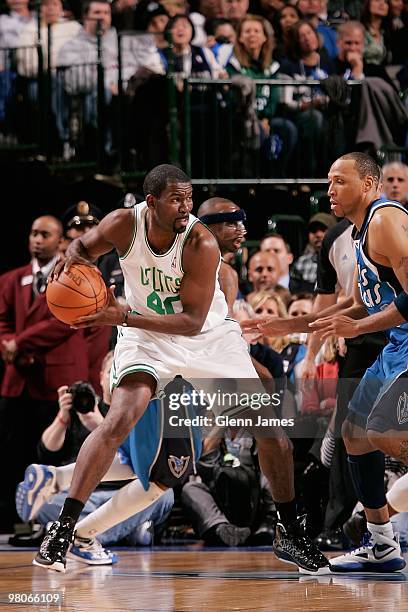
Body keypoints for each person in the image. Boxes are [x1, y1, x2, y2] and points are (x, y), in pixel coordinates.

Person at [34, 163, 330, 574]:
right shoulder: (123, 224)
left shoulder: (200, 242)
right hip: (147, 339)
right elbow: (82, 247)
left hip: (206, 338)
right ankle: (63, 529)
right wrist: (72, 269)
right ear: (151, 202)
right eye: (177, 199)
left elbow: (191, 322)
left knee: (271, 432)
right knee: (118, 419)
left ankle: (290, 533)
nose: (186, 207)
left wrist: (119, 316)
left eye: (189, 199)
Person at [308, 152, 408, 572]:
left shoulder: (386, 220)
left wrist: (361, 327)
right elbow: (352, 303)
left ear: (369, 185)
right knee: (354, 433)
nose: (330, 189)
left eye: (339, 181)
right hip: (394, 345)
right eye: (328, 182)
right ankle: (383, 544)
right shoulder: (355, 232)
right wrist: (287, 323)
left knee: (382, 433)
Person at [16, 351, 175, 562]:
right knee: (46, 502)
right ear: (101, 376)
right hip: (80, 495)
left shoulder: (133, 408)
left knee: (164, 495)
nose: (115, 377)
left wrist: (98, 423)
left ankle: (67, 531)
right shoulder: (81, 406)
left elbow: (127, 454)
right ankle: (100, 535)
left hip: (120, 492)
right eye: (111, 372)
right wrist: (62, 417)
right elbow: (45, 450)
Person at [0, 215, 89, 531]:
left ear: (60, 241)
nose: (37, 239)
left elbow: (64, 322)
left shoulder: (74, 277)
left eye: (45, 234)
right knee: (13, 453)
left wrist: (19, 343)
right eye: (33, 233)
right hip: (18, 381)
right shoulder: (11, 279)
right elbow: (4, 322)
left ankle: (51, 519)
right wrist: (6, 343)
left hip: (55, 381)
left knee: (55, 454)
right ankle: (17, 520)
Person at [290, 212, 337, 293]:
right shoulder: (302, 262)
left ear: (335, 232)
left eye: (323, 229)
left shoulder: (343, 259)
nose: (318, 235)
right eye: (313, 230)